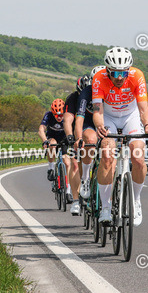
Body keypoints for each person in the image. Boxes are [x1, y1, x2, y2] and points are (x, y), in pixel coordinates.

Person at [91, 47, 148, 226]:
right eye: (115, 73)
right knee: (106, 155)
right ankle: (105, 207)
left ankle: (135, 200)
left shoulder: (137, 76)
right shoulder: (99, 79)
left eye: (123, 72)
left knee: (138, 157)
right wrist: (99, 126)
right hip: (109, 117)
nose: (119, 77)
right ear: (107, 70)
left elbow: (143, 109)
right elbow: (97, 111)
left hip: (131, 116)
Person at [63, 74, 96, 215]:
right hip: (79, 131)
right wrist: (70, 136)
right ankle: (76, 201)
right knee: (75, 163)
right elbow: (68, 120)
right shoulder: (73, 98)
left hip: (96, 129)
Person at [38, 100, 72, 200]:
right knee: (52, 144)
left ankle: (69, 191)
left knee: (67, 163)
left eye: (61, 115)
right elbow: (41, 129)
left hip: (64, 139)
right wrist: (44, 140)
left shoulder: (67, 115)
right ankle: (51, 168)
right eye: (56, 115)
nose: (59, 117)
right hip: (52, 137)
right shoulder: (48, 115)